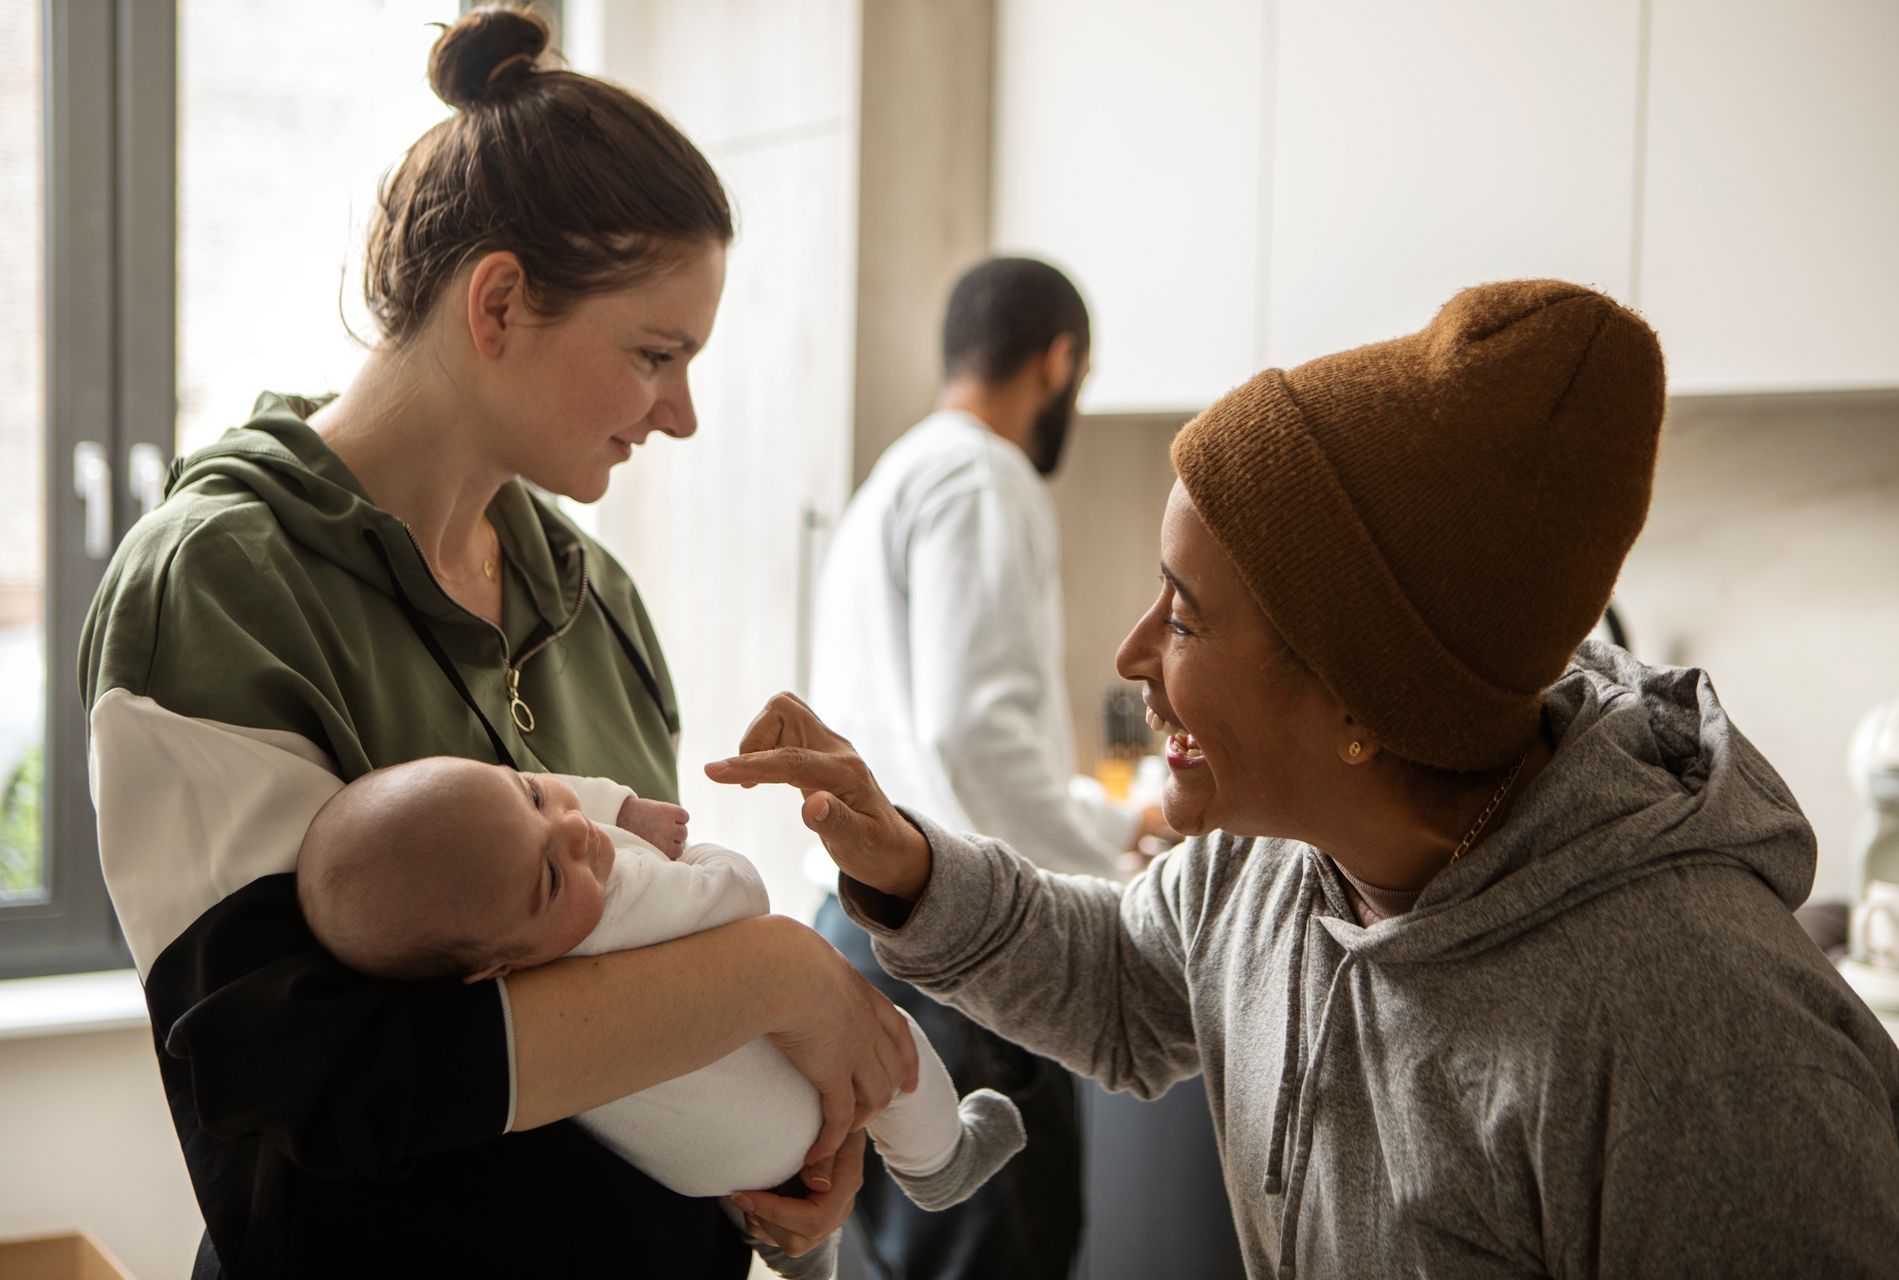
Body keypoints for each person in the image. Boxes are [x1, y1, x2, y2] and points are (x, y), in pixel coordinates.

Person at [713, 279, 1899, 1277]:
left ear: (1359, 700)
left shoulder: (1701, 1038)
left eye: (1184, 616)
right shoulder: (1271, 864)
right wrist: (908, 864)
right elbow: (1126, 978)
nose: (1134, 657)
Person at [78, 9, 913, 1276]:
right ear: (502, 300)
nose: (679, 415)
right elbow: (317, 1079)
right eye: (654, 354)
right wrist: (779, 977)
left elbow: (644, 996)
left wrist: (785, 1160)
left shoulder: (599, 603)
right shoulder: (220, 583)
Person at [292, 756, 1028, 1280]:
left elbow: (544, 799)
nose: (577, 835)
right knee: (895, 1044)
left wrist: (615, 805)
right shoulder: (619, 909)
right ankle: (941, 1160)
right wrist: (704, 855)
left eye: (533, 796)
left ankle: (799, 1248)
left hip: (708, 1172)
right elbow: (739, 898)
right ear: (493, 967)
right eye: (553, 876)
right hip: (753, 1126)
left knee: (782, 1158)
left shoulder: (497, 929)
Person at [806, 256, 1168, 1278]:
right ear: (1060, 361)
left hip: (865, 923)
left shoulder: (899, 474)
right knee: (997, 1251)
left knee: (914, 1252)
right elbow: (976, 732)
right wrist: (1111, 858)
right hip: (953, 950)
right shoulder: (986, 475)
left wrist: (1101, 826)